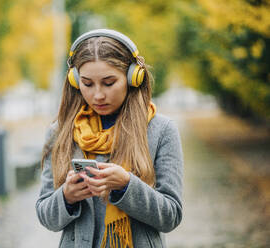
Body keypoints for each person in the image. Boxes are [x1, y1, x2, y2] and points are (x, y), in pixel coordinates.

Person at [35, 29, 183, 248]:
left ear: (133, 78)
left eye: (109, 82)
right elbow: (46, 216)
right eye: (87, 84)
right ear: (75, 82)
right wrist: (66, 196)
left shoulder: (161, 130)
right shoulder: (60, 133)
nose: (98, 95)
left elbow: (171, 216)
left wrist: (126, 185)